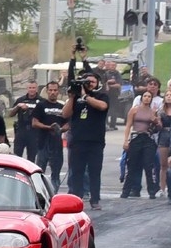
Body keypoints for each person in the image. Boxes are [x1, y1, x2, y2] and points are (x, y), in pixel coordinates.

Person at [62, 53, 110, 210]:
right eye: (87, 82)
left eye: (93, 82)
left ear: (97, 83)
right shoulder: (76, 98)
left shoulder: (101, 95)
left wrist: (86, 96)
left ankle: (95, 199)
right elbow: (65, 114)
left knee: (95, 171)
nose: (90, 84)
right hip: (78, 140)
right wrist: (72, 97)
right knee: (76, 172)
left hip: (95, 141)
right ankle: (76, 199)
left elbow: (102, 107)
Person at [121, 89, 161, 199]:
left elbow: (159, 126)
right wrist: (126, 140)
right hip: (136, 137)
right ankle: (126, 190)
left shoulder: (153, 111)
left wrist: (155, 120)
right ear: (141, 98)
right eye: (145, 96)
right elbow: (128, 125)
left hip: (148, 138)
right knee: (132, 165)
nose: (147, 98)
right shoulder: (134, 110)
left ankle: (151, 191)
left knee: (148, 165)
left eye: (149, 96)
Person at [31, 81, 68, 188]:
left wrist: (60, 130)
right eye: (50, 90)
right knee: (39, 173)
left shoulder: (62, 107)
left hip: (56, 145)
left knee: (55, 175)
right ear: (47, 91)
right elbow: (34, 123)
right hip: (43, 144)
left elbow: (68, 124)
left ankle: (54, 197)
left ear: (58, 91)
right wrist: (48, 127)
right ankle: (39, 194)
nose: (53, 92)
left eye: (55, 90)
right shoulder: (41, 105)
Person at [9, 81, 41, 162]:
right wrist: (18, 106)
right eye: (30, 88)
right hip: (21, 130)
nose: (32, 90)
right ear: (27, 89)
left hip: (34, 132)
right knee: (17, 156)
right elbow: (10, 114)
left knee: (32, 157)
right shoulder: (20, 100)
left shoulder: (41, 101)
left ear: (36, 89)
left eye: (33, 88)